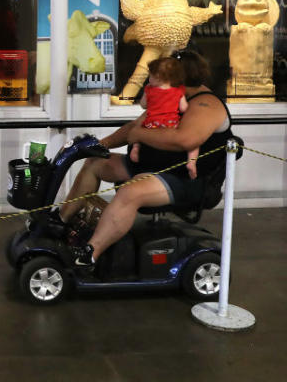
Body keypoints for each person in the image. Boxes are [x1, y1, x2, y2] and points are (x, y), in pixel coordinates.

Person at [57, 50, 233, 269]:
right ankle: (60, 222)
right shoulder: (168, 95)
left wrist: (139, 136)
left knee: (131, 191)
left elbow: (186, 140)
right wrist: (100, 146)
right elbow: (135, 125)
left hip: (184, 179)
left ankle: (89, 254)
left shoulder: (206, 104)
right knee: (96, 164)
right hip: (151, 166)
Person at [128, 57, 200, 177]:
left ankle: (136, 147)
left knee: (137, 131)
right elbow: (184, 108)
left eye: (150, 76)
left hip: (151, 125)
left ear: (159, 77)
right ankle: (192, 162)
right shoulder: (178, 91)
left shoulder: (149, 90)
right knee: (194, 142)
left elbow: (143, 105)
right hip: (171, 125)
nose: (149, 79)